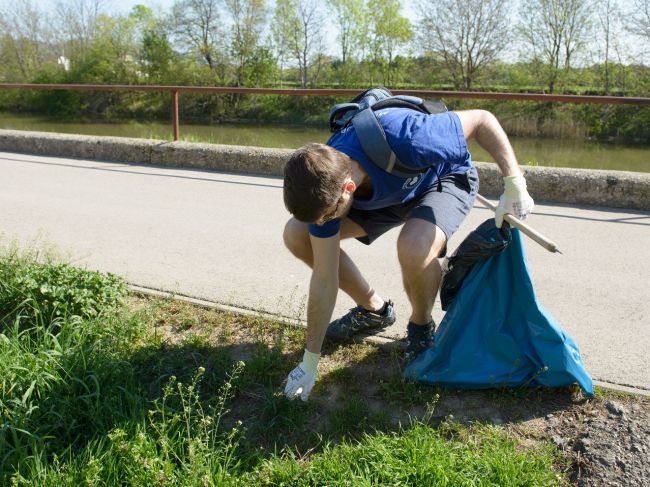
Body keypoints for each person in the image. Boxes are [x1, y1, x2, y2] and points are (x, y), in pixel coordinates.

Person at [282, 107, 534, 401]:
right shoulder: (328, 187)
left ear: (347, 187)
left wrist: (514, 182)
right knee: (298, 234)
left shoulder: (407, 137)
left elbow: (482, 120)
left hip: (442, 179)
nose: (324, 224)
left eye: (327, 216)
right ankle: (373, 312)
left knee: (415, 246)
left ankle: (421, 326)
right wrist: (310, 361)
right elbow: (324, 279)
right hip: (384, 197)